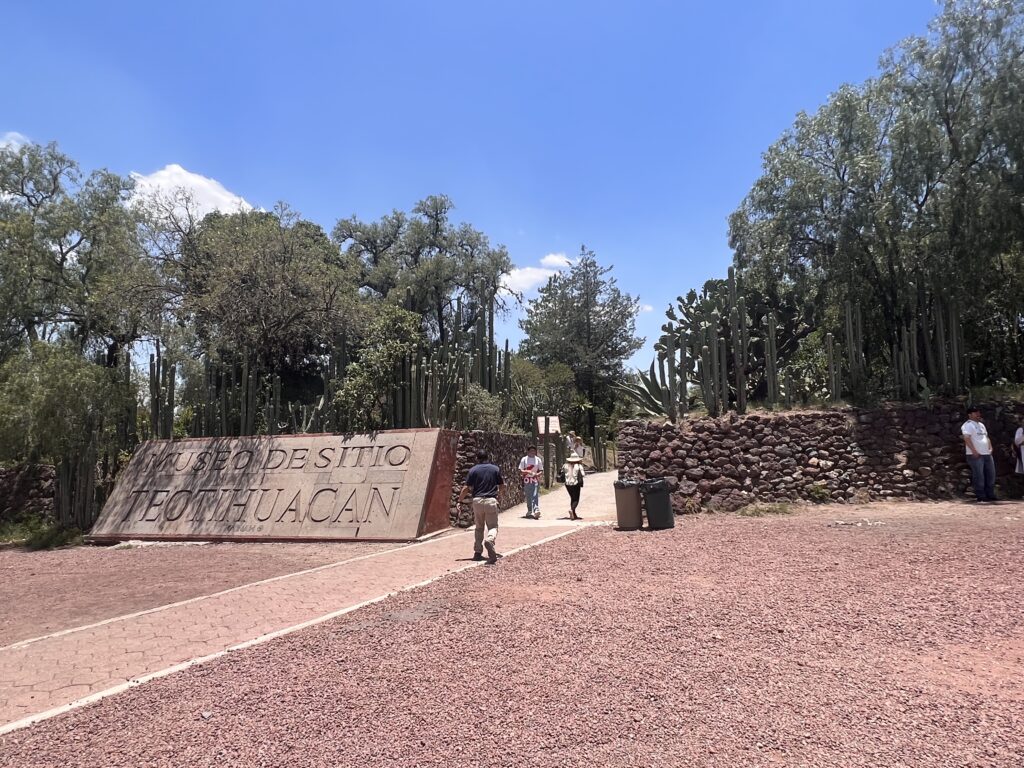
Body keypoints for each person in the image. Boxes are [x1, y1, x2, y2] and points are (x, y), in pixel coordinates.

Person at [458, 449, 505, 563]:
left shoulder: (473, 470)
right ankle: (489, 539)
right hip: (491, 500)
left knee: (479, 527)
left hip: (477, 501)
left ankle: (477, 552)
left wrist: (459, 500)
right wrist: (500, 497)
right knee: (493, 526)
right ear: (488, 457)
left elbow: (466, 488)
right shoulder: (495, 469)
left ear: (477, 458)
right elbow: (502, 485)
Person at [961, 405, 996, 502]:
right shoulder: (968, 425)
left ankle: (990, 494)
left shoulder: (981, 425)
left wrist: (990, 447)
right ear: (970, 414)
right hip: (976, 454)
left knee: (991, 474)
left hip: (987, 454)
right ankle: (981, 495)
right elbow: (966, 438)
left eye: (978, 412)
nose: (978, 414)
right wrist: (974, 451)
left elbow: (986, 437)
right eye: (975, 413)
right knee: (979, 475)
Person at [518, 446, 543, 519]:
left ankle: (536, 510)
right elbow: (520, 470)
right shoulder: (524, 459)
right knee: (529, 496)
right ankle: (529, 511)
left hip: (535, 480)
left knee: (535, 495)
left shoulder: (538, 459)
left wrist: (537, 474)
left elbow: (541, 470)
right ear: (528, 452)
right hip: (527, 480)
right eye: (531, 451)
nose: (533, 452)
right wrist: (527, 471)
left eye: (534, 451)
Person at [561, 454, 585, 520]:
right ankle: (572, 509)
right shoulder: (579, 466)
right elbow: (583, 474)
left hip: (567, 484)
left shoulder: (565, 465)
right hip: (576, 484)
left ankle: (574, 514)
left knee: (572, 498)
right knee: (576, 499)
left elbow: (562, 473)